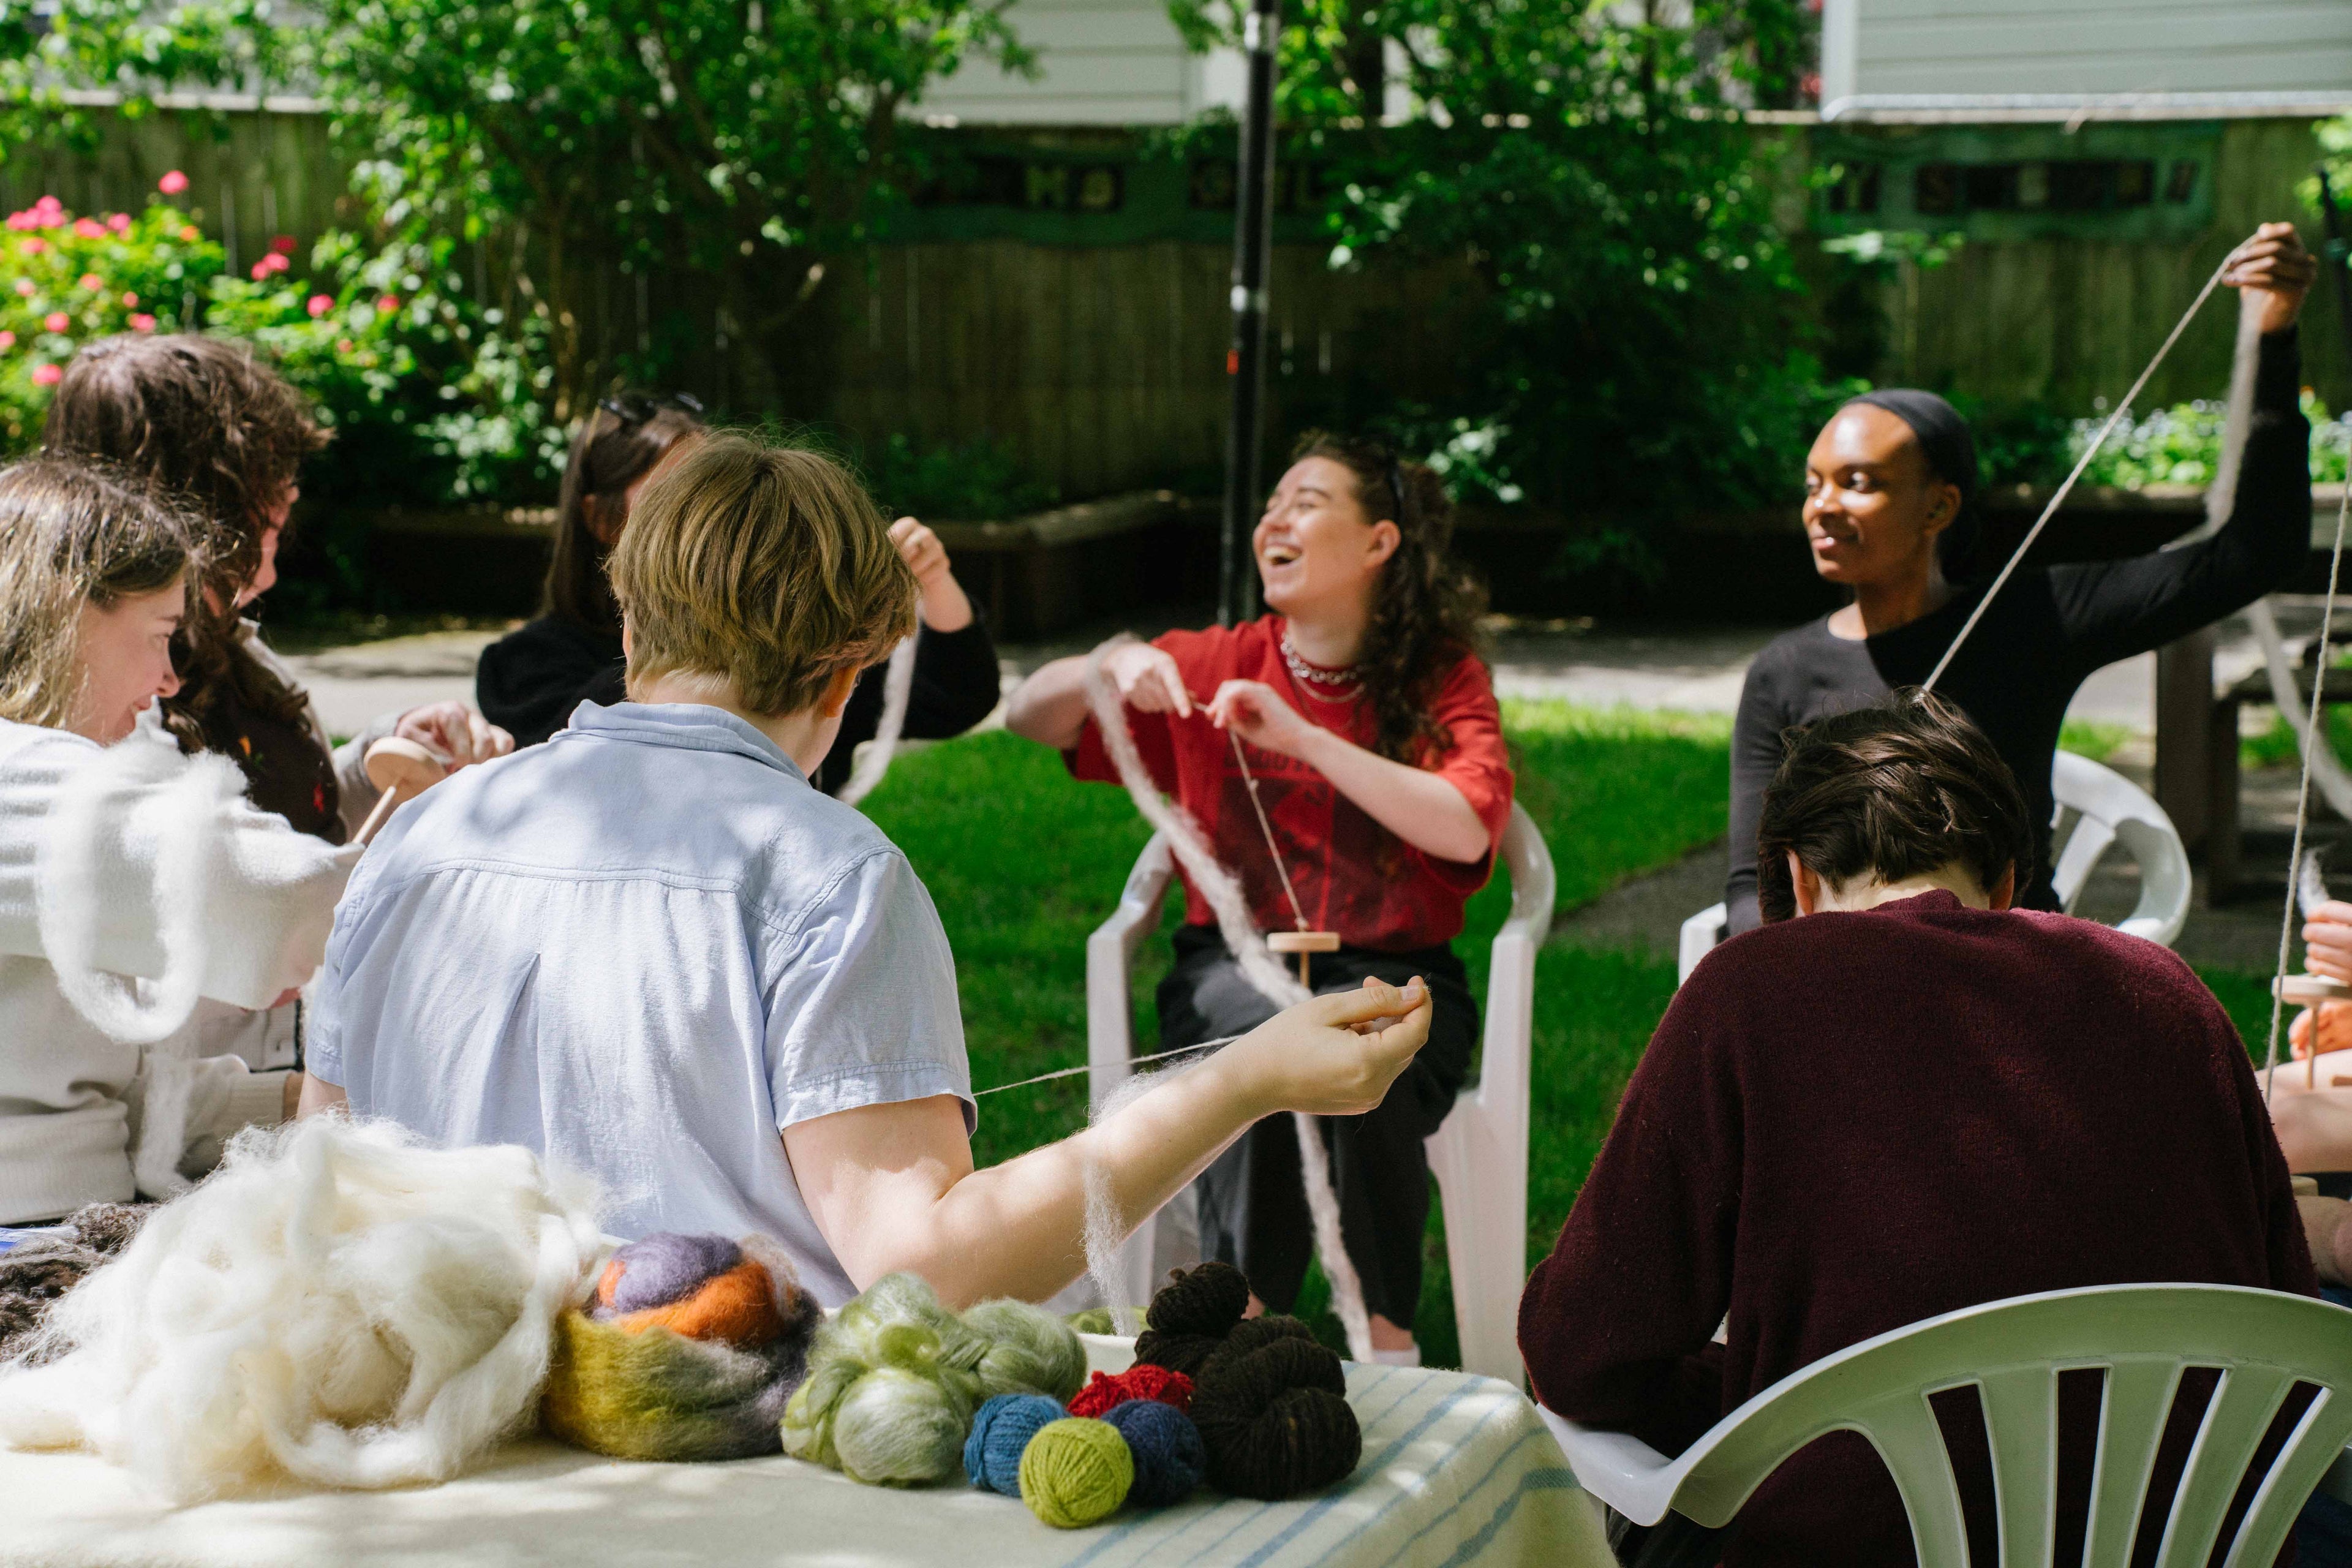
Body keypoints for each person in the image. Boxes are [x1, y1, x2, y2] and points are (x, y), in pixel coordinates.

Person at [303, 433, 1436, 1311]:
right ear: (850, 678)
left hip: (433, 1456)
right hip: (717, 1480)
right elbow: (923, 1271)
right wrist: (1240, 1083)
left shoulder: (421, 833)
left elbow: (315, 1188)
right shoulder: (824, 873)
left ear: (636, 628)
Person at [1520, 691, 2315, 1567]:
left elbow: (1580, 1354)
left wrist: (1756, 1398)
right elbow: (2286, 1331)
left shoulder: (1750, 991)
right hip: (2182, 1544)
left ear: (1798, 880)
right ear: (2008, 884)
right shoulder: (2171, 995)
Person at [1001, 433, 1513, 1363]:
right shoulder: (1212, 660)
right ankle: (1242, 1320)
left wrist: (1305, 740)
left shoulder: (1441, 676)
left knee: (1370, 1039)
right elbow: (1028, 715)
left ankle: (1384, 1336)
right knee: (1254, 1040)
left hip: (1399, 974)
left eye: (1307, 501)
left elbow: (1468, 826)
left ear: (1379, 544)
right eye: (1271, 503)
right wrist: (1103, 669)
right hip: (1233, 971)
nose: (1274, 519)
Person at [1724, 222, 2318, 935]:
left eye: (1858, 483)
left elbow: (2255, 553)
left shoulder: (2035, 618)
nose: (1823, 505)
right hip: (1837, 971)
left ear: (1939, 505)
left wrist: (2274, 333)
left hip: (2010, 969)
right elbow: (1750, 886)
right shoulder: (1784, 672)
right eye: (1815, 483)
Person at [43, 334, 509, 1070]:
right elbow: (253, 891)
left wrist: (373, 761)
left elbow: (292, 822)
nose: (273, 553)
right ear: (205, 506)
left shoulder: (234, 648)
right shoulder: (106, 707)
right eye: (273, 514)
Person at [0, 457, 356, 1227]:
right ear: (67, 608)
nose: (168, 678)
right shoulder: (25, 775)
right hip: (33, 1241)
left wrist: (293, 1102)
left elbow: (115, 1098)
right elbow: (275, 900)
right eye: (160, 635)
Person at [475, 391, 1001, 790]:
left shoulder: (801, 644)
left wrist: (931, 580)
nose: (713, 519)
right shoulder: (526, 668)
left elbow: (958, 695)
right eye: (676, 495)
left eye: (718, 493)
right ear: (599, 517)